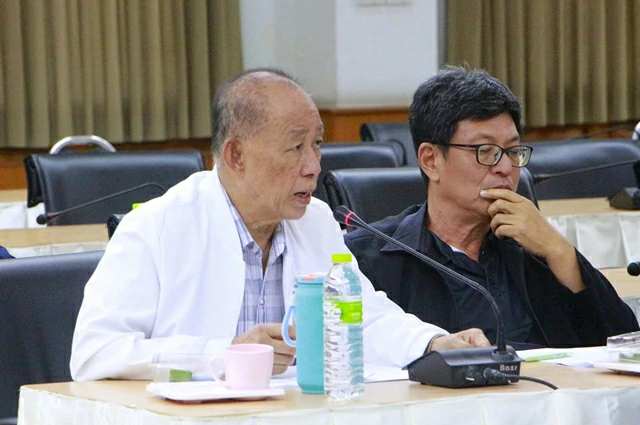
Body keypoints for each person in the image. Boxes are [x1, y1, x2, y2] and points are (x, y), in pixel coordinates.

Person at [70, 68, 490, 381]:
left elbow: (362, 319)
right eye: (295, 148)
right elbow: (95, 354)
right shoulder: (156, 228)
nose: (313, 167)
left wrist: (434, 343)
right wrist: (223, 354)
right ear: (236, 155)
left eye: (317, 145)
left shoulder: (316, 221)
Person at [345, 66, 639, 350]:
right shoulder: (370, 260)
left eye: (512, 151)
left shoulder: (536, 251)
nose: (505, 168)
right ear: (431, 161)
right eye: (485, 151)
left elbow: (624, 347)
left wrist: (561, 252)